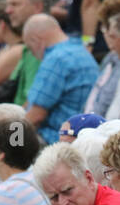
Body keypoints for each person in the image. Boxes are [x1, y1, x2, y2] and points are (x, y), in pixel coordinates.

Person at [23, 15, 101, 143]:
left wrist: (12, 140)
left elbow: (36, 116)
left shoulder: (56, 59)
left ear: (36, 40)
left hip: (55, 140)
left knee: (3, 143)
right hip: (80, 137)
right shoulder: (81, 51)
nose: (33, 54)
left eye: (30, 48)